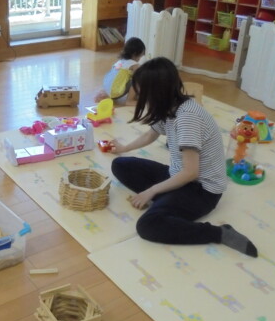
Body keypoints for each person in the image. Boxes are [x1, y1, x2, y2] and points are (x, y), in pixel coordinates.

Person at [109, 57, 258, 258]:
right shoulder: (169, 106)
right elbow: (151, 134)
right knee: (120, 165)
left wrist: (151, 191)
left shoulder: (187, 117)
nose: (139, 97)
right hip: (178, 176)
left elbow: (191, 173)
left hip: (201, 190)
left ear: (156, 92)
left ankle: (219, 233)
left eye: (142, 93)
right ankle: (167, 201)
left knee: (147, 225)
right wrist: (124, 147)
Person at [94, 37, 146, 105]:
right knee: (137, 80)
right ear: (135, 54)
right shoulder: (134, 65)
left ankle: (106, 95)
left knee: (130, 78)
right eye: (140, 56)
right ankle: (129, 101)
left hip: (108, 89)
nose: (139, 59)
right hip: (116, 92)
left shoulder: (120, 61)